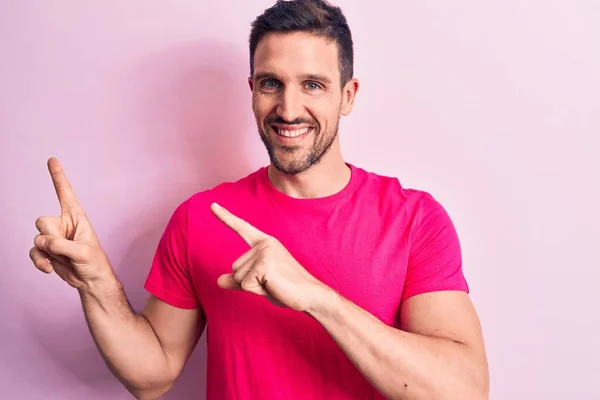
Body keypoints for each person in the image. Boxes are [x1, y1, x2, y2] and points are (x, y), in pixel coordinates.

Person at [30, 0, 489, 399]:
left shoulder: (414, 218)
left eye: (313, 85)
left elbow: (464, 390)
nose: (288, 110)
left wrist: (317, 298)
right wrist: (95, 284)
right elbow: (152, 376)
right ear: (252, 90)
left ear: (347, 95)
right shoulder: (201, 219)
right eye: (271, 83)